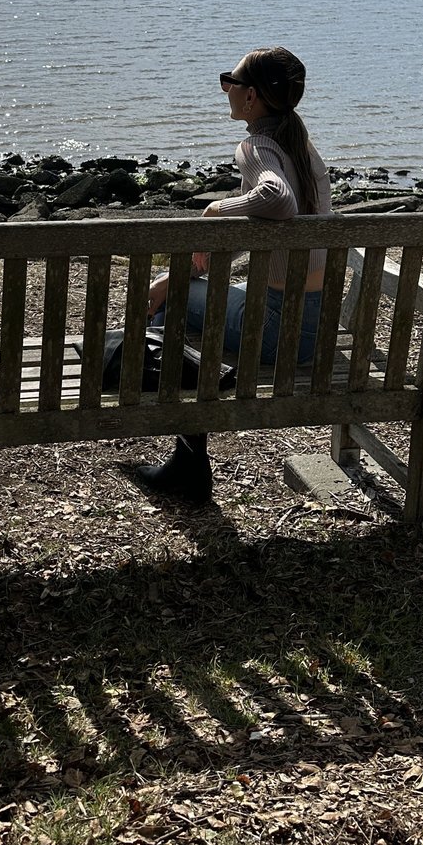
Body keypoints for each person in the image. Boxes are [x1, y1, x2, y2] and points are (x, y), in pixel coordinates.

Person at [130, 45, 332, 504]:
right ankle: (187, 440)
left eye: (230, 81)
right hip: (314, 324)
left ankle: (187, 461)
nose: (224, 88)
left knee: (169, 303)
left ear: (251, 98)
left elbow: (277, 201)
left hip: (279, 329)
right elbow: (280, 223)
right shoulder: (299, 145)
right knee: (183, 289)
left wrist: (215, 208)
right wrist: (206, 259)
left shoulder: (256, 146)